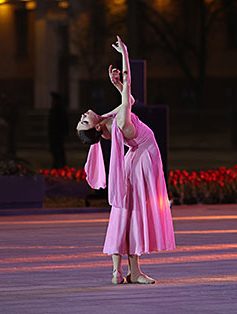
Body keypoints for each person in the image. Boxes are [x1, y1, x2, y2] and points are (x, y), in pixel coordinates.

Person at [76, 36, 176, 285]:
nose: (84, 114)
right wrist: (125, 55)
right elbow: (130, 94)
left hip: (134, 158)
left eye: (81, 118)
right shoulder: (117, 122)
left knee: (127, 210)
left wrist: (117, 85)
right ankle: (133, 271)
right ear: (96, 128)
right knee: (135, 210)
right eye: (84, 120)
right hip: (144, 156)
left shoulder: (109, 121)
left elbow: (128, 101)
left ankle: (122, 271)